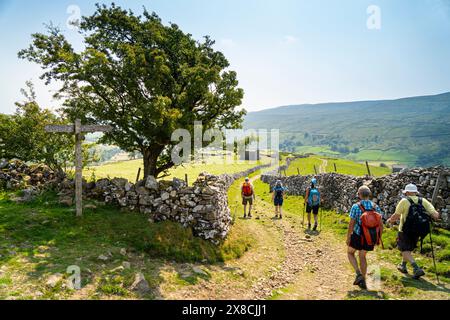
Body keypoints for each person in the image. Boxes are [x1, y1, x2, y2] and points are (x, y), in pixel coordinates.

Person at [386, 183, 440, 279]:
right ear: (415, 192)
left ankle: (416, 268)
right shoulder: (423, 200)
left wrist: (390, 220)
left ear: (406, 192)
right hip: (418, 230)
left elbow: (396, 216)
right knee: (407, 249)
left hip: (405, 230)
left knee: (404, 249)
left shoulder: (404, 201)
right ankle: (403, 266)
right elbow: (435, 215)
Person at [347, 185, 383, 290]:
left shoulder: (356, 206)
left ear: (359, 195)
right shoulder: (375, 207)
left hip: (358, 236)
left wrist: (348, 237)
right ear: (369, 195)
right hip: (370, 237)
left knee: (350, 253)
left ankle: (358, 274)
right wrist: (378, 238)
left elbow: (351, 224)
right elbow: (381, 224)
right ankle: (363, 280)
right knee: (362, 256)